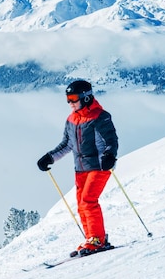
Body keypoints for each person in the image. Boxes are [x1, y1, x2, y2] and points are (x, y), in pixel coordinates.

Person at [37, 79, 118, 256]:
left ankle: (97, 239)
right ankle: (92, 239)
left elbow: (111, 141)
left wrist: (109, 156)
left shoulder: (100, 117)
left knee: (88, 200)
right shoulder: (71, 120)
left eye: (73, 98)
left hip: (99, 165)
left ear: (86, 98)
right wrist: (50, 157)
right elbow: (67, 144)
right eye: (67, 99)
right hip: (80, 168)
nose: (70, 103)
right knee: (81, 204)